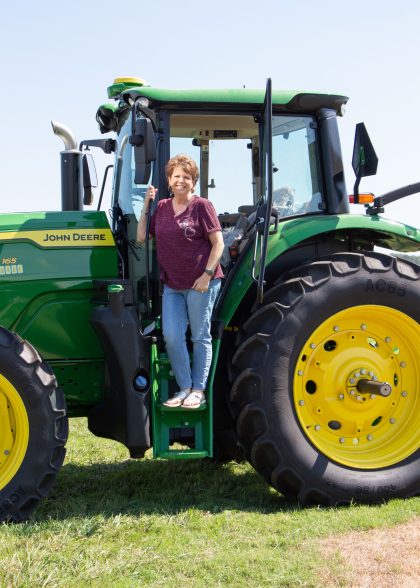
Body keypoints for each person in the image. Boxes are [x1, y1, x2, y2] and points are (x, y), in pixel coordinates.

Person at [137, 154, 224, 409]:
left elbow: (218, 244)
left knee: (199, 337)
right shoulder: (162, 207)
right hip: (173, 285)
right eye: (176, 176)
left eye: (186, 177)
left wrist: (206, 275)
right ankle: (184, 388)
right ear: (169, 180)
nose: (181, 181)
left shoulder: (202, 206)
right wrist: (147, 203)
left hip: (201, 283)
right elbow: (142, 236)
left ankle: (198, 390)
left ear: (193, 182)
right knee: (173, 336)